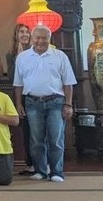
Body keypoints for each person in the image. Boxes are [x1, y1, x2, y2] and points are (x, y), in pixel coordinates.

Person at [13, 25, 76, 183]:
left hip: (56, 102)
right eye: (38, 38)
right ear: (32, 38)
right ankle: (40, 170)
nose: (40, 41)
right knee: (36, 139)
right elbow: (18, 84)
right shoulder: (22, 57)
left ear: (50, 38)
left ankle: (56, 171)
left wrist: (68, 104)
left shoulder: (60, 56)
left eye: (44, 38)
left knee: (56, 138)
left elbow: (68, 82)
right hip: (32, 102)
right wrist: (18, 104)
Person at [6, 23, 35, 175]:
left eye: (27, 32)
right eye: (21, 32)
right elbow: (12, 77)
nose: (24, 34)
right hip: (19, 95)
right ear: (16, 36)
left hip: (34, 94)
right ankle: (30, 163)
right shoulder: (11, 54)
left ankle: (41, 163)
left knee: (37, 130)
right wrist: (18, 56)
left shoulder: (35, 52)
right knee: (26, 130)